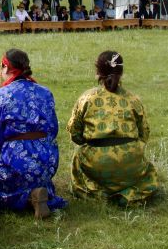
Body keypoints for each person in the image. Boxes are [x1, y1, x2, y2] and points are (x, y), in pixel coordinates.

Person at [67, 51, 159, 206]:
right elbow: (144, 133)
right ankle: (130, 195)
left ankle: (97, 193)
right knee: (148, 173)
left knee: (78, 158)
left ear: (97, 72)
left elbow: (75, 133)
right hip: (130, 163)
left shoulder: (86, 98)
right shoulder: (133, 99)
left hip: (95, 164)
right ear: (121, 72)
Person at [0, 49, 66, 218]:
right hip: (46, 161)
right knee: (36, 179)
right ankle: (37, 194)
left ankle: (28, 197)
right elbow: (53, 128)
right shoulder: (45, 92)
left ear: (6, 68)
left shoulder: (1, 95)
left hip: (17, 161)